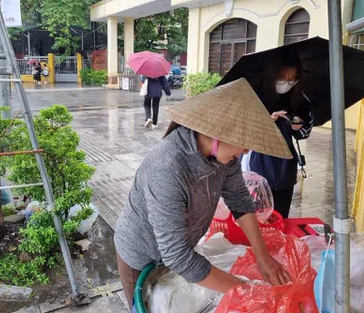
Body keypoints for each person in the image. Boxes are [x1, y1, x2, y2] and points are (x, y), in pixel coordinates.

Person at [115, 78, 293, 309]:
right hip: (141, 256)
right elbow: (177, 256)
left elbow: (239, 200)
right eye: (244, 142)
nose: (247, 150)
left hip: (178, 250)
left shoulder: (225, 158)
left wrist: (263, 257)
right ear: (218, 134)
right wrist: (244, 289)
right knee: (145, 305)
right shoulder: (167, 167)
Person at [243, 54, 313, 218]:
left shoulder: (300, 99)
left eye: (292, 79)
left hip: (284, 167)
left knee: (279, 218)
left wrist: (298, 126)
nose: (287, 83)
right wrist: (269, 121)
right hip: (257, 163)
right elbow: (243, 131)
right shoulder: (255, 95)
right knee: (257, 216)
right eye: (283, 77)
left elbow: (305, 133)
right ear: (273, 75)